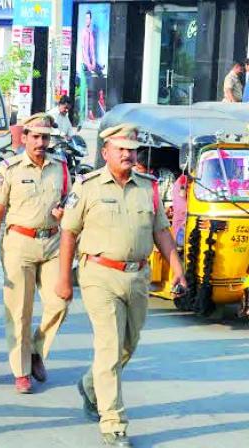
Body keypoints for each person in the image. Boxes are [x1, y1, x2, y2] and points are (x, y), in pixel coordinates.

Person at [57, 124, 187, 447]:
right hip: (99, 275)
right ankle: (113, 423)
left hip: (138, 276)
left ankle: (90, 385)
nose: (128, 154)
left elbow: (161, 233)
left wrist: (177, 269)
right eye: (121, 149)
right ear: (105, 153)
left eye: (132, 149)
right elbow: (69, 233)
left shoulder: (148, 187)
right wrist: (63, 278)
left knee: (128, 344)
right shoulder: (86, 186)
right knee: (109, 345)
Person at [0, 113, 71, 394]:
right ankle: (21, 371)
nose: (41, 142)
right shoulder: (9, 168)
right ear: (24, 138)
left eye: (45, 137)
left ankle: (35, 349)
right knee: (20, 311)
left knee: (60, 303)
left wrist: (63, 213)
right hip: (19, 242)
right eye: (35, 136)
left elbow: (70, 204)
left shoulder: (62, 168)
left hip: (53, 242)